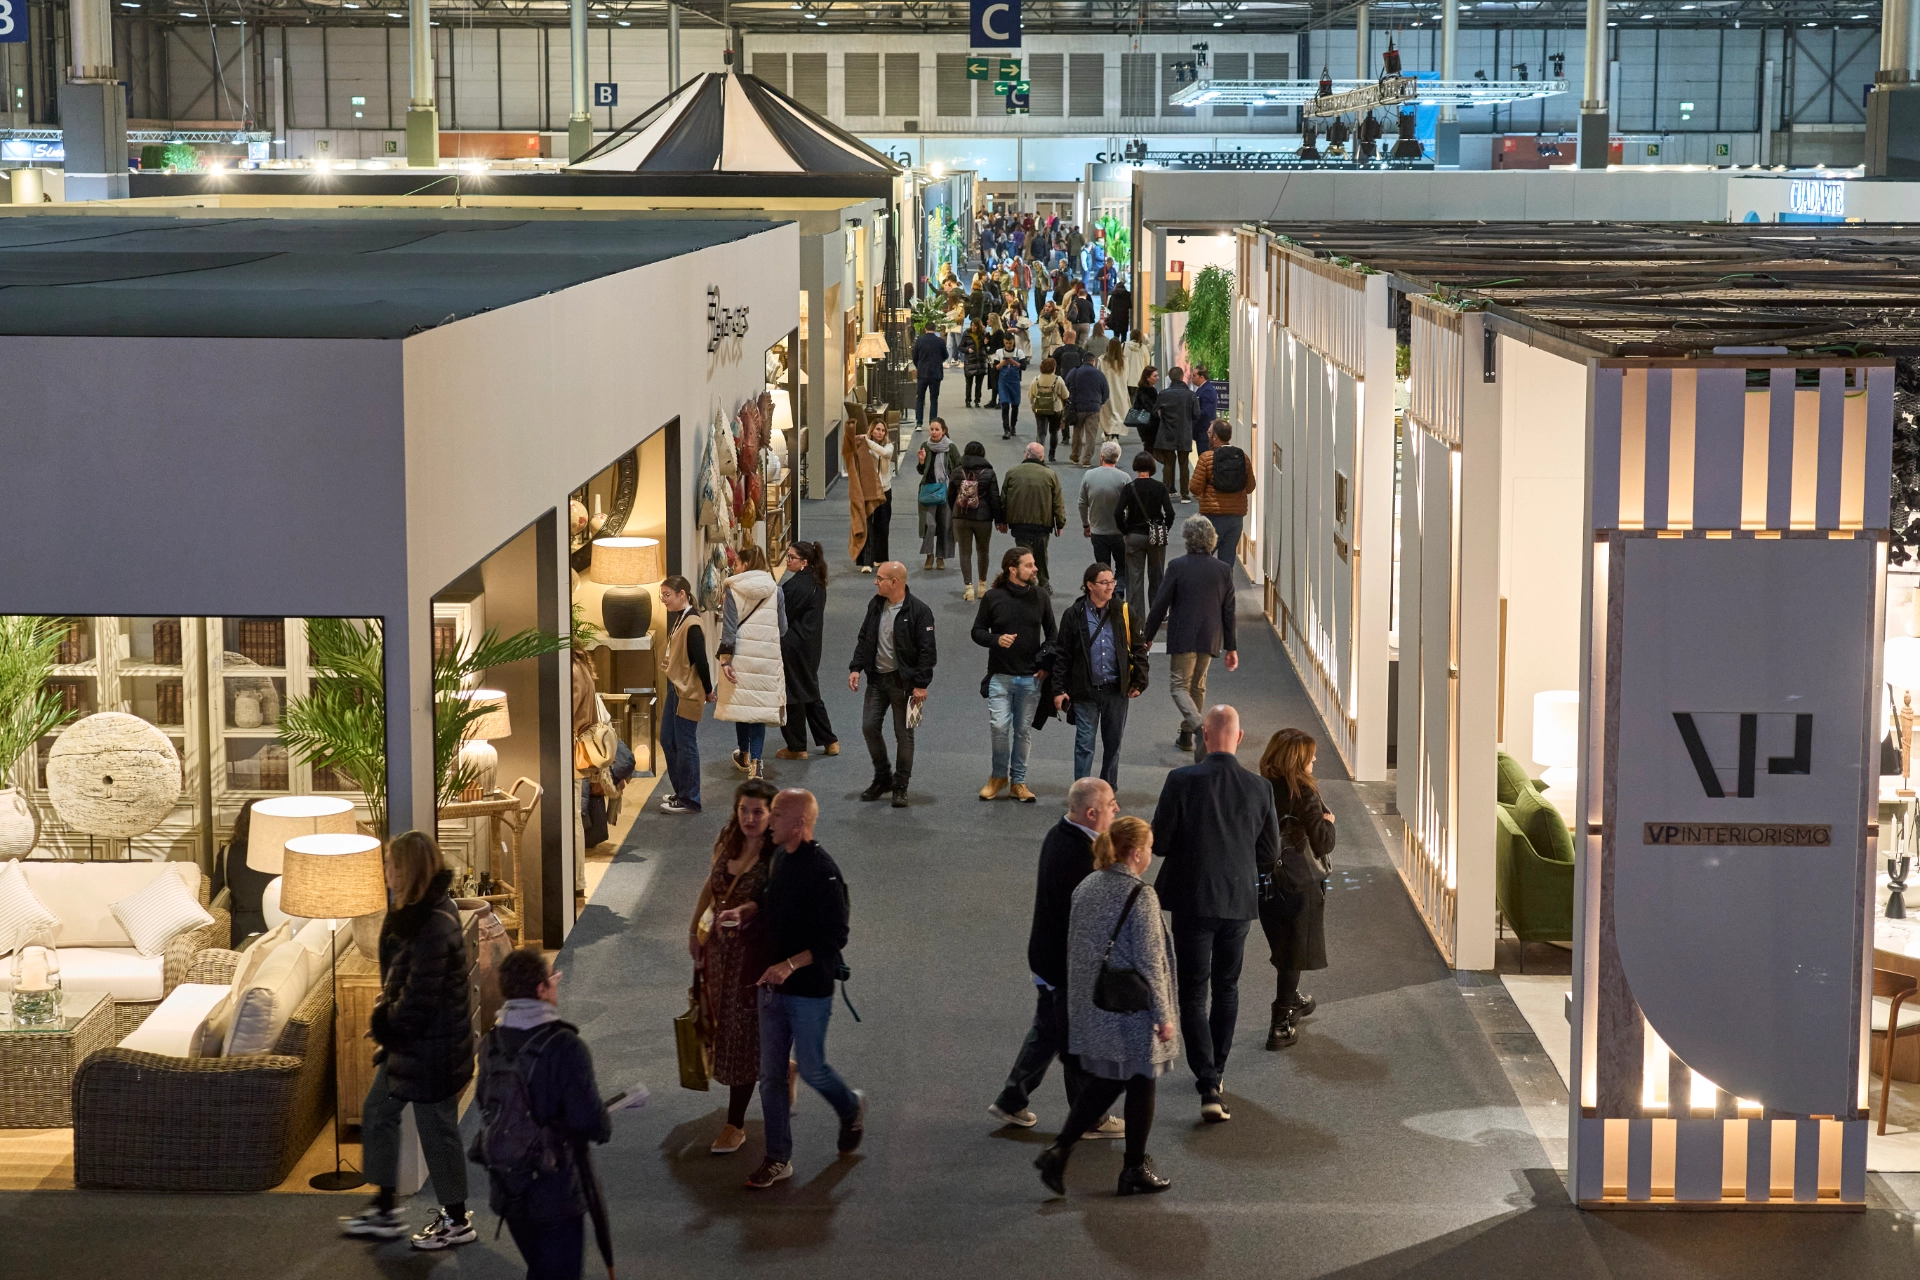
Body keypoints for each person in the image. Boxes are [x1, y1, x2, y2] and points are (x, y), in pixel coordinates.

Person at [718, 789, 865, 1189]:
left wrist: (789, 965)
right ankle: (778, 1157)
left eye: (777, 815)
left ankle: (850, 1106)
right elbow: (766, 903)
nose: (769, 822)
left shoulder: (824, 873)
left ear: (799, 824)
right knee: (771, 1076)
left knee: (813, 1069)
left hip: (808, 992)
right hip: (771, 987)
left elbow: (835, 937)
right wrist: (743, 911)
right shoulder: (780, 858)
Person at [339, 831, 476, 1249]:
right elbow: (405, 983)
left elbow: (420, 1000)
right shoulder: (416, 913)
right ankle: (384, 1209)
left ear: (407, 869)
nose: (385, 871)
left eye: (390, 864)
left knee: (437, 1129)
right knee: (379, 1111)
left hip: (433, 1050)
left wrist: (385, 1023)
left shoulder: (434, 923)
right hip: (415, 1046)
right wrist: (389, 1020)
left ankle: (456, 1221)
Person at [1033, 816, 1177, 1198]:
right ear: (1134, 853)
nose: (1150, 856)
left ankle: (1061, 1149)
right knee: (1142, 1081)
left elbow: (1078, 948)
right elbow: (1150, 962)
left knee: (1110, 1080)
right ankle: (1133, 1168)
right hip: (1132, 1010)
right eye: (1147, 849)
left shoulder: (1087, 885)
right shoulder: (1141, 895)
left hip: (1096, 1007)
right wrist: (1164, 1016)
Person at [1149, 705, 1279, 1123]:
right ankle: (1217, 1073)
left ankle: (1206, 1081)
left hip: (1191, 900)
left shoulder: (1181, 780)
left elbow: (1161, 844)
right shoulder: (1260, 788)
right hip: (1238, 900)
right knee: (1227, 987)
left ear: (1206, 735)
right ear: (1240, 738)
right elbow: (1270, 855)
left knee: (1192, 991)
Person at [989, 777, 1120, 1131]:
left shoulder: (1058, 835)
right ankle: (1089, 1118)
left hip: (1046, 958)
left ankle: (1011, 1100)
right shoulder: (1080, 856)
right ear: (1091, 813)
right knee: (1078, 1040)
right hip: (1066, 966)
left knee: (1047, 1030)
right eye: (1111, 805)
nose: (1117, 810)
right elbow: (1089, 921)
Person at [472, 948, 611, 1280]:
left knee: (540, 1267)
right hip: (555, 1187)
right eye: (553, 978)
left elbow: (484, 1103)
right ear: (540, 990)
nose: (556, 984)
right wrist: (603, 1121)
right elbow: (588, 1121)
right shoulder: (565, 1045)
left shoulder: (491, 1042)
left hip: (508, 1184)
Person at [690, 779, 779, 1152]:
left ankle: (735, 1124)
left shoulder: (777, 856)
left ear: (772, 815)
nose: (750, 818)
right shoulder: (727, 841)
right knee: (719, 1026)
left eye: (758, 811)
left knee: (742, 1035)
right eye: (744, 810)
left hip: (750, 959)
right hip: (718, 956)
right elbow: (710, 889)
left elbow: (778, 907)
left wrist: (751, 912)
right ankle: (779, 1067)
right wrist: (696, 932)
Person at [1256, 729, 1334, 1051]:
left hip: (1264, 882)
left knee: (1282, 945)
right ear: (1297, 759)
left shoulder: (1259, 788)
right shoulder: (1304, 792)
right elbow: (1323, 841)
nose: (1315, 759)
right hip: (1299, 884)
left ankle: (1292, 999)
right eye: (1310, 755)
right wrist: (1329, 821)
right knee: (1294, 953)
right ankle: (1281, 1022)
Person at [1144, 516, 1239, 759]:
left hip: (1183, 635)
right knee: (1197, 686)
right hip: (1211, 636)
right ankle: (1187, 736)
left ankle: (1199, 729)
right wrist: (1231, 647)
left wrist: (1148, 635)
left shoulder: (1177, 566)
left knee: (1178, 687)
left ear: (1188, 539)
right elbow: (1229, 610)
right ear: (1212, 540)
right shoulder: (1223, 569)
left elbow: (1160, 604)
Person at [971, 547, 1057, 803]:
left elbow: (1053, 635)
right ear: (1013, 569)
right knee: (999, 727)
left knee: (1022, 731)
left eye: (1034, 564)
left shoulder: (1040, 596)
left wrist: (1046, 663)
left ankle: (1018, 782)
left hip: (1031, 678)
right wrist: (996, 639)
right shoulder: (993, 597)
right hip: (1000, 675)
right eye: (1029, 565)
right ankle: (998, 776)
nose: (1035, 569)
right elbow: (977, 632)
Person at [1051, 562, 1148, 788]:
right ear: (1089, 586)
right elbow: (1062, 655)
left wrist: (1140, 681)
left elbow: (1139, 648)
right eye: (1104, 583)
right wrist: (1058, 689)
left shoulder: (1124, 611)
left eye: (1112, 582)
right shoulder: (1073, 615)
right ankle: (1082, 791)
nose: (1110, 587)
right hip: (1085, 691)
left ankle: (1108, 789)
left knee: (1113, 745)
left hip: (1116, 691)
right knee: (1084, 744)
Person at [848, 561, 937, 807]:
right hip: (877, 680)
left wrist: (921, 684)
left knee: (905, 734)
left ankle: (901, 785)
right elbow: (865, 636)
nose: (876, 582)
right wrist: (856, 667)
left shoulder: (920, 611)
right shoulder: (875, 605)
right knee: (869, 727)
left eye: (880, 578)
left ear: (894, 582)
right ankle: (883, 777)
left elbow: (928, 652)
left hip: (907, 685)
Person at [717, 545, 788, 781]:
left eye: (736, 563)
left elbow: (728, 631)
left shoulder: (733, 590)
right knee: (758, 709)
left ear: (745, 565)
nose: (734, 567)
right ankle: (757, 763)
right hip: (766, 656)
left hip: (740, 656)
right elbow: (783, 628)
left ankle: (744, 754)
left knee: (742, 705)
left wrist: (725, 661)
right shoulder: (775, 591)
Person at [775, 542, 838, 759]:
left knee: (791, 694)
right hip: (810, 644)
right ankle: (829, 740)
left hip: (792, 646)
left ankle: (797, 746)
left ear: (805, 562)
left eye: (792, 557)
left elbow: (783, 616)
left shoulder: (795, 586)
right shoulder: (817, 580)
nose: (788, 560)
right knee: (810, 691)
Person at [658, 575, 715, 814]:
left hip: (688, 690)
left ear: (682, 595)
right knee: (667, 739)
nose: (664, 600)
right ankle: (681, 791)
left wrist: (709, 690)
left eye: (667, 595)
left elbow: (701, 660)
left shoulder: (692, 623)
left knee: (685, 743)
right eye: (662, 596)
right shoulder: (680, 618)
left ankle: (690, 799)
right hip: (676, 687)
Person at [1000, 441, 1067, 593]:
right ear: (1042, 458)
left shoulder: (1012, 473)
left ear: (1026, 455)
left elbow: (1003, 499)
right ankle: (1043, 583)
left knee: (1022, 555)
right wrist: (1060, 523)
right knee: (1041, 555)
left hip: (1019, 523)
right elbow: (1057, 501)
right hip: (1042, 523)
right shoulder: (1050, 475)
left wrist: (1002, 521)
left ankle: (1023, 583)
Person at [1117, 451, 1177, 614]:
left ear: (1136, 467)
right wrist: (1164, 529)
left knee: (1134, 578)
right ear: (1152, 467)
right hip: (1155, 537)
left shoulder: (1130, 488)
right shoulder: (1160, 487)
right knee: (1157, 575)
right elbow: (1170, 513)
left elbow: (1118, 512)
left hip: (1134, 536)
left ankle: (1135, 615)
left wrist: (1125, 530)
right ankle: (1158, 612)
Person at [1190, 420, 1254, 567]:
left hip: (1212, 517)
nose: (1208, 435)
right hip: (1236, 519)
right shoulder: (1242, 457)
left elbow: (1195, 488)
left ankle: (1205, 590)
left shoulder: (1206, 458)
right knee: (1227, 564)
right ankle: (1224, 590)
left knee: (1202, 561)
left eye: (1209, 432)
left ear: (1215, 437)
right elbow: (1250, 487)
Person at [952, 440, 1003, 603]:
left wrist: (956, 512)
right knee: (983, 551)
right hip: (983, 518)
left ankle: (968, 588)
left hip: (961, 517)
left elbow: (950, 495)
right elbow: (995, 498)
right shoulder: (989, 472)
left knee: (965, 552)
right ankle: (982, 586)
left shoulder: (957, 470)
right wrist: (999, 519)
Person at [1078, 440, 1131, 593]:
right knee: (1122, 567)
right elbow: (1129, 506)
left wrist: (1086, 525)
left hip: (1098, 532)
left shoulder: (1089, 475)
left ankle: (1104, 595)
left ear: (1101, 456)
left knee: (1102, 567)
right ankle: (1119, 591)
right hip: (1120, 533)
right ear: (1117, 458)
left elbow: (1082, 503)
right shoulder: (1124, 477)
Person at [855, 420, 896, 574]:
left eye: (882, 430)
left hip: (885, 490)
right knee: (867, 525)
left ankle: (880, 557)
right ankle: (867, 561)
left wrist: (867, 442)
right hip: (868, 491)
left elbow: (884, 453)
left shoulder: (889, 446)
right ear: (871, 431)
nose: (880, 432)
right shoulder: (864, 446)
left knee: (883, 525)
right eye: (877, 429)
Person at [917, 417, 957, 571]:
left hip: (945, 491)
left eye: (937, 429)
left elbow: (958, 467)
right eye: (931, 429)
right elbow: (921, 471)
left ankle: (940, 557)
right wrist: (921, 462)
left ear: (943, 431)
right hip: (928, 490)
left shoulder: (950, 447)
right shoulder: (925, 446)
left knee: (944, 525)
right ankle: (929, 555)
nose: (933, 432)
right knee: (929, 524)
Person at [1155, 366, 1199, 503]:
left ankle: (1167, 490)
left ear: (1170, 378)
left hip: (1167, 432)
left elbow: (1154, 411)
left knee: (1168, 462)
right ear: (1181, 377)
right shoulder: (1191, 395)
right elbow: (1196, 414)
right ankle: (1185, 494)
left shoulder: (1163, 394)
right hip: (1184, 433)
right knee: (1184, 463)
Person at [1064, 349, 1110, 469]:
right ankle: (1086, 460)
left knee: (1077, 432)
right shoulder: (1099, 374)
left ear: (1082, 361)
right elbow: (1106, 392)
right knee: (1091, 435)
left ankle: (1075, 455)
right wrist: (1100, 403)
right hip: (1094, 407)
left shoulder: (1075, 372)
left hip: (1077, 407)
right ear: (1093, 362)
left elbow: (1066, 385)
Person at [1028, 357, 1067, 459]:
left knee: (1041, 433)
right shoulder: (1058, 380)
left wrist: (1033, 406)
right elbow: (1065, 395)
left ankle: (1039, 455)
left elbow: (1031, 395)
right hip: (1055, 409)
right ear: (1054, 368)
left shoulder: (1036, 379)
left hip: (1040, 409)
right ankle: (1051, 454)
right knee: (1053, 432)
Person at [911, 323, 946, 427]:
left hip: (922, 373)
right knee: (934, 399)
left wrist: (919, 366)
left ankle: (919, 423)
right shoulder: (940, 341)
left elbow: (914, 357)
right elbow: (945, 355)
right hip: (935, 373)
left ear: (925, 329)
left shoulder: (919, 341)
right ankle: (932, 422)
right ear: (935, 329)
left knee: (920, 398)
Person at [1097, 339, 1131, 445]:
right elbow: (1127, 376)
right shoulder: (1124, 361)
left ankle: (1107, 433)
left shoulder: (1102, 360)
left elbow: (1099, 374)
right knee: (1119, 413)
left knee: (1107, 413)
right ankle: (1115, 435)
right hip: (1120, 390)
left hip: (1106, 390)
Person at [1132, 366, 1163, 476]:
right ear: (1147, 377)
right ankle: (1146, 470)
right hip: (1150, 426)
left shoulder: (1140, 389)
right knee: (1150, 449)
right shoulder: (1149, 391)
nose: (1157, 378)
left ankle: (1146, 471)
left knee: (1149, 448)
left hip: (1144, 425)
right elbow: (1152, 408)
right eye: (1155, 376)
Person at [995, 332, 1024, 440]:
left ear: (1013, 342)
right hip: (1003, 382)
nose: (1008, 345)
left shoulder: (1019, 352)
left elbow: (1023, 366)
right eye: (1006, 343)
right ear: (1004, 342)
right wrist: (1002, 363)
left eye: (1010, 343)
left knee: (1015, 406)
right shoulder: (999, 352)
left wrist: (1013, 362)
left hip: (1015, 382)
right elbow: (995, 367)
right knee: (1005, 405)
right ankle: (1006, 429)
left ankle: (1013, 426)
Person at [961, 319, 990, 408]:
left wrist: (986, 341)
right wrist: (967, 350)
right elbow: (960, 347)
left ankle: (977, 401)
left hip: (981, 363)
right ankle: (968, 401)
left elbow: (987, 347)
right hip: (970, 363)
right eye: (972, 325)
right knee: (969, 384)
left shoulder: (983, 335)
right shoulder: (966, 335)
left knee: (979, 384)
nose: (973, 327)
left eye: (975, 325)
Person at [1191, 364, 1219, 450]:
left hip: (1204, 432)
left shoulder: (1207, 390)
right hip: (1201, 432)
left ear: (1202, 377)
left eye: (1194, 376)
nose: (1192, 378)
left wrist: (1192, 413)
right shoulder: (1201, 389)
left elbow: (1206, 411)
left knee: (1204, 456)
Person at [1067, 280, 1096, 348]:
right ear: (1085, 294)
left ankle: (1075, 355)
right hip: (1085, 323)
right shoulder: (1088, 303)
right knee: (1083, 342)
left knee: (1074, 341)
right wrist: (1090, 321)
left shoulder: (1074, 302)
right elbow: (1092, 315)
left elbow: (1069, 313)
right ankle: (1081, 355)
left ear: (1078, 294)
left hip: (1075, 324)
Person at [1106, 282, 1134, 347]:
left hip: (1115, 318)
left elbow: (1109, 307)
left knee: (1116, 336)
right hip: (1124, 318)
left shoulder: (1113, 295)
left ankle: (1116, 350)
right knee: (1124, 336)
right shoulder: (1127, 295)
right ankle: (1123, 350)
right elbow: (1130, 306)